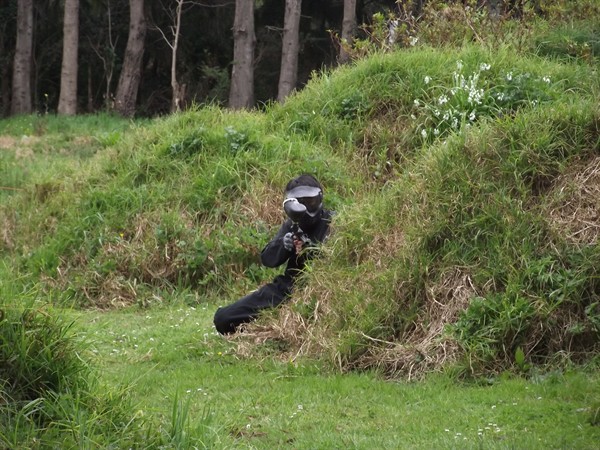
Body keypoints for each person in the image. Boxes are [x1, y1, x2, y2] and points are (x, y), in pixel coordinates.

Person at [213, 174, 333, 334]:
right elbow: (267, 259)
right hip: (288, 288)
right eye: (300, 203)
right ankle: (266, 330)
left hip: (323, 290)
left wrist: (311, 249)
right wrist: (284, 244)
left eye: (310, 202)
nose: (306, 209)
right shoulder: (292, 224)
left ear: (320, 199)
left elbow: (340, 264)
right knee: (223, 318)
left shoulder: (334, 222)